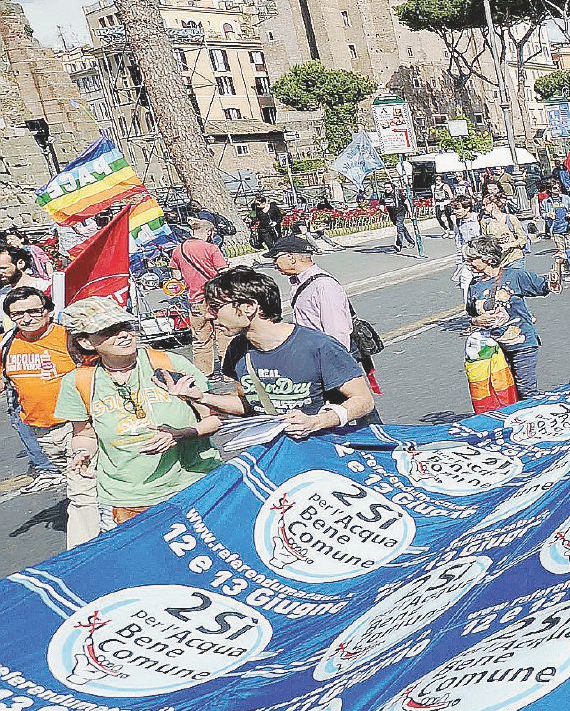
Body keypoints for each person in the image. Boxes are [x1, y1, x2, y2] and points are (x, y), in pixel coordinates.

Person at [58, 297, 222, 528]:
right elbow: (84, 434)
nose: (124, 334)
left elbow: (214, 419)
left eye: (125, 326)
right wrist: (82, 453)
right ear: (85, 341)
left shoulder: (167, 362)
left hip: (195, 483)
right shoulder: (78, 382)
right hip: (128, 499)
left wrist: (181, 434)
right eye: (109, 331)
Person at [189, 267, 375, 435]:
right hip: (278, 453)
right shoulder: (237, 350)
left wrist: (316, 422)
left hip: (324, 449)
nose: (208, 315)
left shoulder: (318, 346)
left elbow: (364, 400)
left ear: (249, 307)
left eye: (215, 307)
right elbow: (250, 404)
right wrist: (203, 397)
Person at [1, 287, 79, 509]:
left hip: (76, 426)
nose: (26, 318)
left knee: (83, 487)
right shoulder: (7, 344)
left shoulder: (68, 337)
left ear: (48, 311)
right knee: (74, 484)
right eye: (17, 314)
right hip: (42, 432)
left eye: (34, 311)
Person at [464, 236, 565, 400]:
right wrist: (477, 321)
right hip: (494, 349)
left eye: (472, 258)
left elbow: (548, 286)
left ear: (488, 259)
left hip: (522, 344)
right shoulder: (474, 285)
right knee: (504, 393)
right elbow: (471, 316)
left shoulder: (514, 276)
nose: (468, 262)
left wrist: (558, 265)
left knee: (526, 391)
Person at [269, 235, 354, 352]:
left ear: (291, 257)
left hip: (324, 358)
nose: (274, 264)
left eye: (276, 258)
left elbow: (337, 331)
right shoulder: (299, 283)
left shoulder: (323, 286)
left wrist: (335, 363)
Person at [169, 217, 228, 376]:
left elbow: (177, 277)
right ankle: (229, 372)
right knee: (224, 334)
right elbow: (223, 271)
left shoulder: (178, 250)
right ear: (209, 232)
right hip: (217, 298)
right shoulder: (212, 248)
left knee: (200, 338)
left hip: (195, 300)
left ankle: (204, 373)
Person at [480, 191, 530, 266]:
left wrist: (507, 245)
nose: (483, 207)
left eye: (485, 205)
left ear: (493, 204)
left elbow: (522, 238)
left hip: (515, 257)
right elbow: (485, 241)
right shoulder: (485, 222)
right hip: (499, 261)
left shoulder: (510, 218)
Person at [451, 196, 483, 293]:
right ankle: (468, 306)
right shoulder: (458, 221)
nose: (455, 212)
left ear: (467, 208)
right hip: (467, 259)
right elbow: (459, 242)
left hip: (481, 259)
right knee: (465, 284)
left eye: (457, 209)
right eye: (454, 209)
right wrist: (459, 261)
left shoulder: (478, 219)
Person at [383, 185, 419, 256]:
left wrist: (410, 213)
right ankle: (411, 241)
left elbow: (407, 202)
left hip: (400, 212)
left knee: (399, 228)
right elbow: (381, 203)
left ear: (392, 188)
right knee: (401, 227)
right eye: (385, 187)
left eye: (388, 187)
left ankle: (398, 244)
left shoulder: (398, 194)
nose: (386, 189)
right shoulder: (383, 195)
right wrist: (381, 209)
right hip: (392, 214)